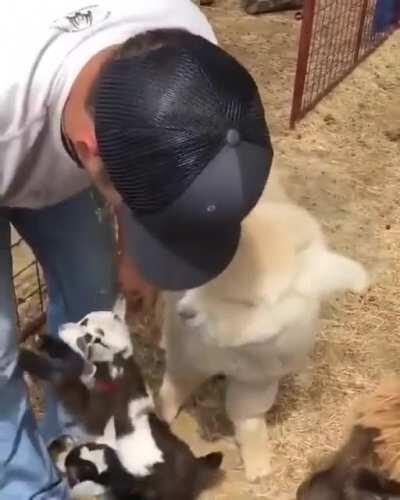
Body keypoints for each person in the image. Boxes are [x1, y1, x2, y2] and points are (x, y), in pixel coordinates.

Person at [0, 0, 273, 497]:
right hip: (16, 133)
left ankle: (74, 439)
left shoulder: (188, 49)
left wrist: (133, 250)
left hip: (54, 134)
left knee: (91, 296)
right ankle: (28, 486)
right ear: (90, 147)